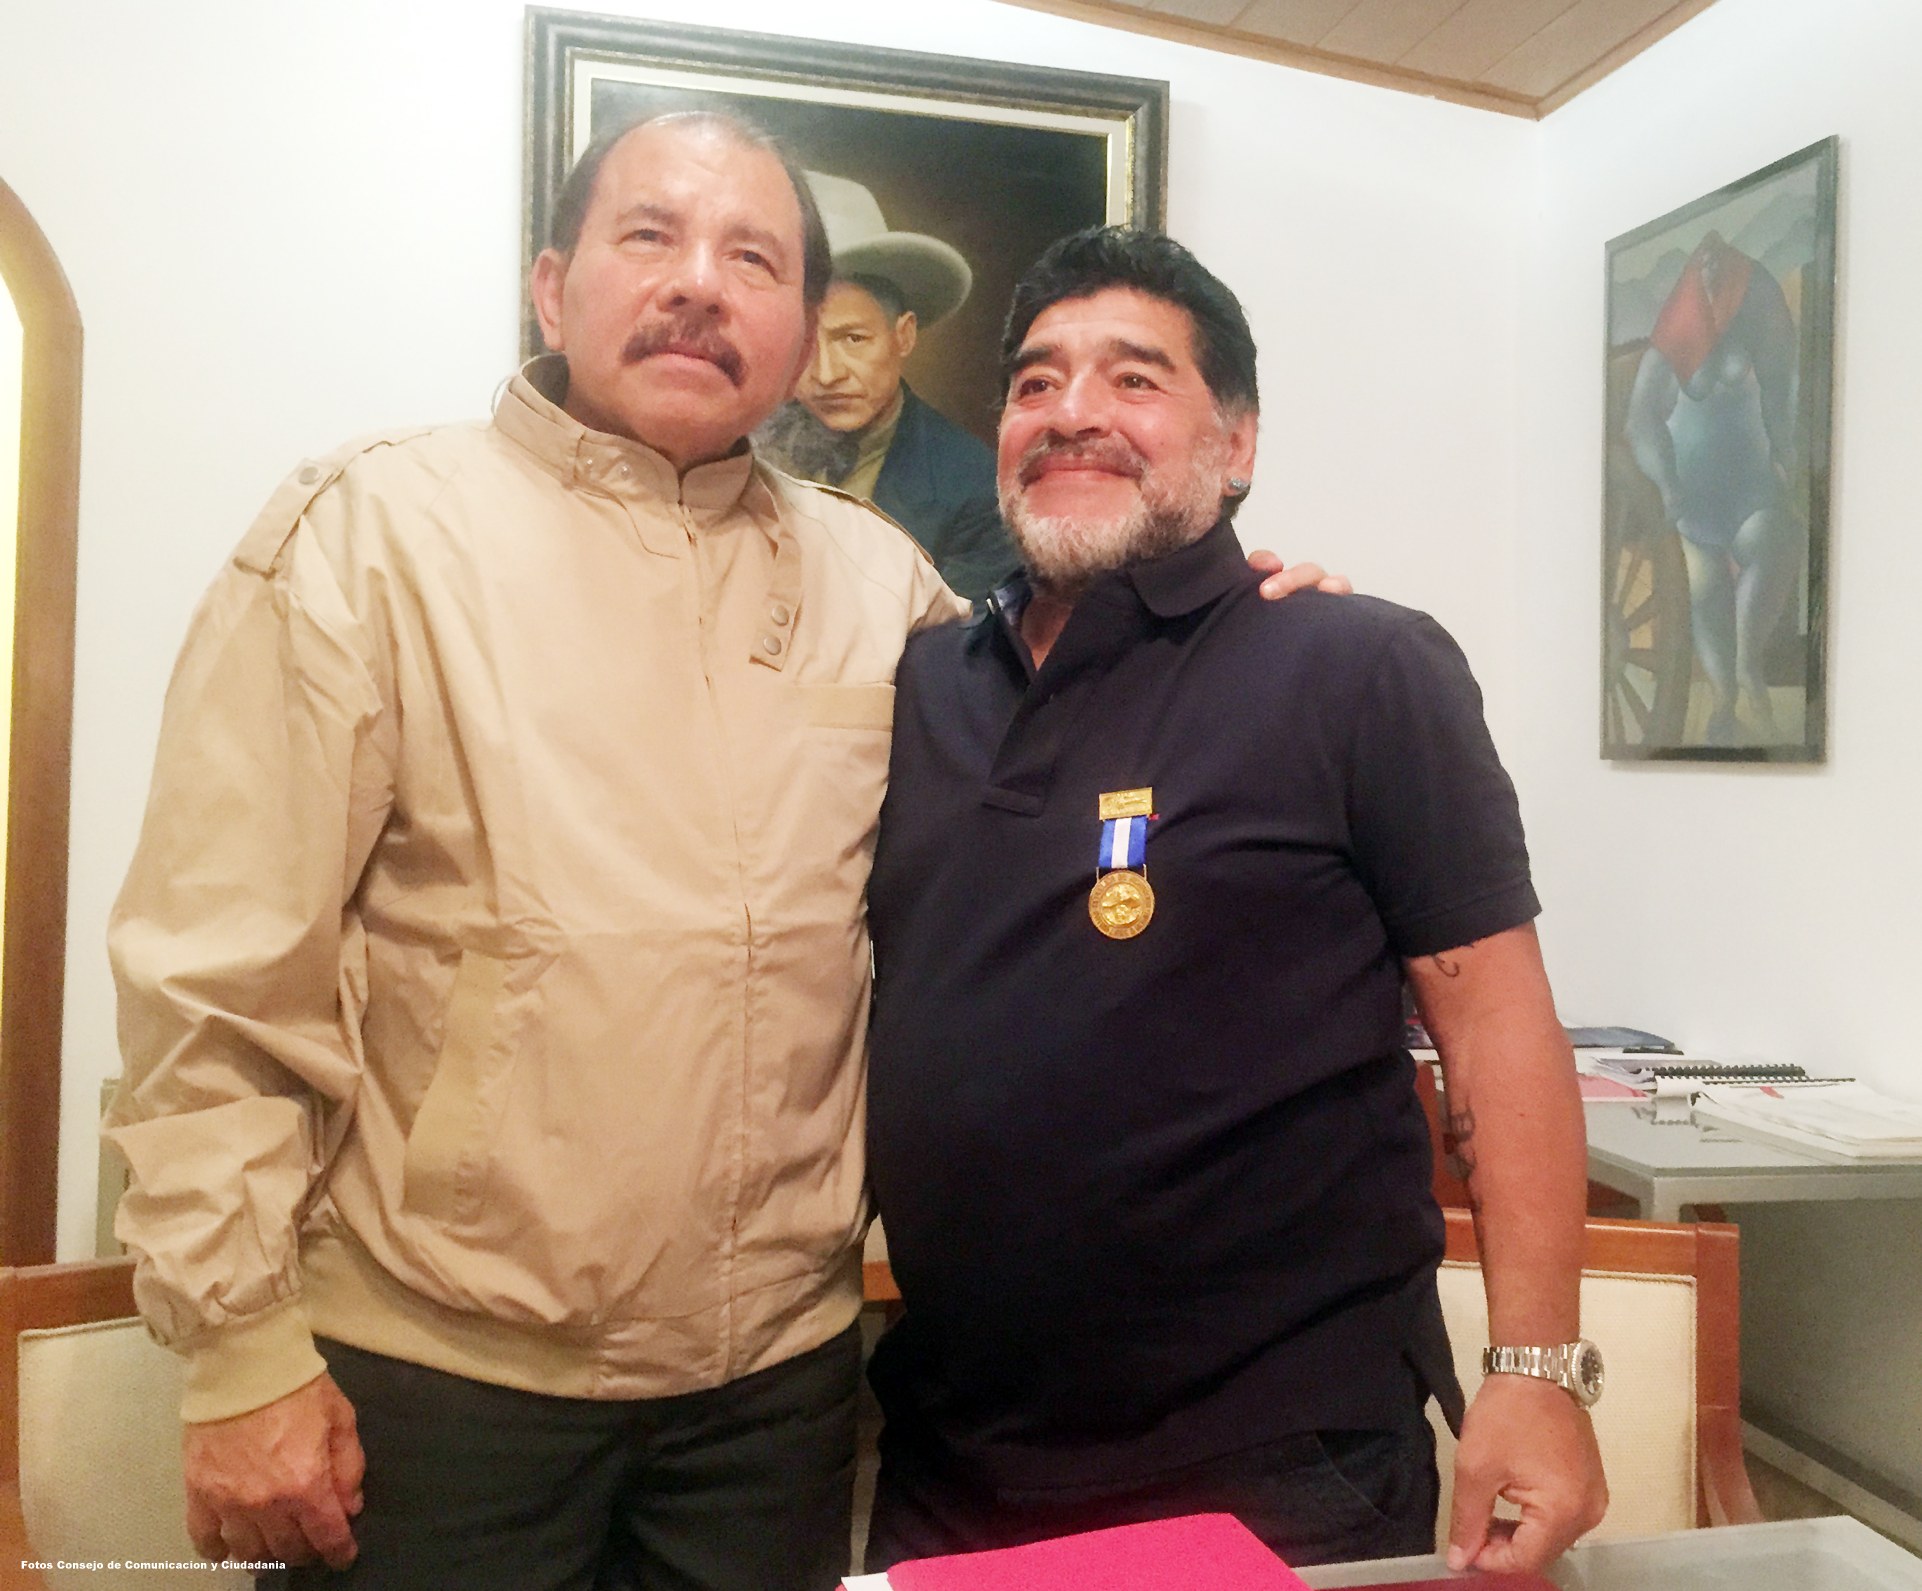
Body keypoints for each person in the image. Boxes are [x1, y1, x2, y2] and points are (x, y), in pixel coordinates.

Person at [104, 119, 1333, 1589]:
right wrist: (237, 1347)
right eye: (650, 236)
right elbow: (215, 977)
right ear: (550, 288)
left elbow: (1069, 723)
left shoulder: (875, 580)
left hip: (772, 1398)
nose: (698, 283)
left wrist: (1237, 626)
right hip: (442, 1376)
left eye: (752, 258)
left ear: (802, 333)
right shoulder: (370, 537)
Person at [862, 228, 1610, 1576]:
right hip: (945, 1451)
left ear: (1237, 443)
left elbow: (1495, 1021)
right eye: (1034, 382)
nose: (1071, 411)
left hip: (1270, 1460)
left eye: (1133, 378)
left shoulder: (1355, 666)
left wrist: (1535, 1368)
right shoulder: (919, 687)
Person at [755, 173, 1019, 599]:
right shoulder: (739, 446)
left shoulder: (974, 488)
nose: (826, 374)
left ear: (904, 336)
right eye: (803, 342)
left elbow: (957, 635)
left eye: (853, 339)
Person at [1623, 229, 1804, 746]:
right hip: (1692, 508)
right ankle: (1725, 703)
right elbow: (1640, 420)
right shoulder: (1674, 339)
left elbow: (1780, 399)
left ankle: (1749, 667)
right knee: (1704, 590)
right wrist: (1666, 484)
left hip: (1751, 495)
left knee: (1776, 543)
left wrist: (1789, 456)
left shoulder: (1758, 327)